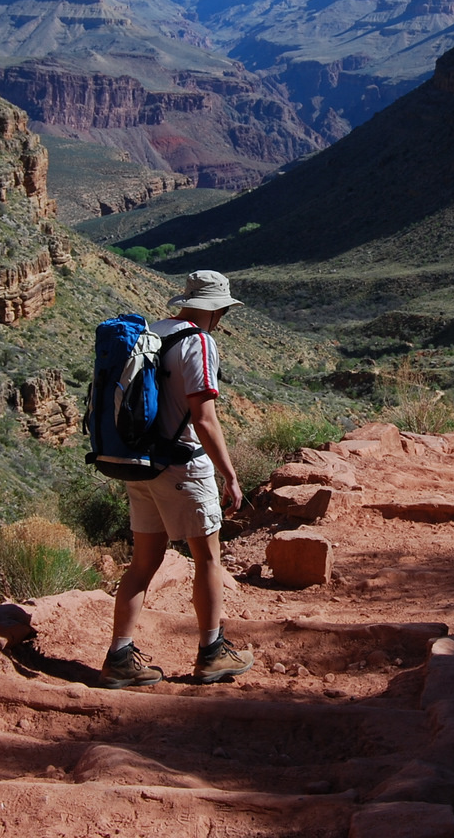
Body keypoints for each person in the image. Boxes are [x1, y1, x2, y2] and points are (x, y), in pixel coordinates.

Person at [99, 270, 254, 688]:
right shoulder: (199, 342)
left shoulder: (153, 332)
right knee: (207, 558)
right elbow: (205, 420)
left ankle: (119, 656)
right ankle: (211, 652)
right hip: (184, 467)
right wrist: (230, 475)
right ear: (217, 308)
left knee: (143, 563)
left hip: (141, 464)